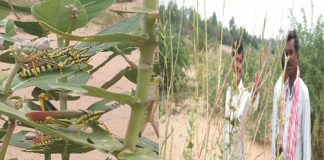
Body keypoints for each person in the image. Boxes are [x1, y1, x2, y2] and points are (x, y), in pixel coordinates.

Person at [271, 30, 311, 159]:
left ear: (297, 55)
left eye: (291, 53)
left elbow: (306, 141)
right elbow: (276, 129)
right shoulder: (281, 90)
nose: (288, 58)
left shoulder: (303, 94)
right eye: (286, 53)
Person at [223, 38, 261, 159]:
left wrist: (255, 92)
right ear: (231, 62)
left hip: (237, 155)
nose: (238, 66)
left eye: (241, 61)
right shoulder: (228, 91)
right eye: (236, 60)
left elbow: (251, 107)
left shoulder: (245, 94)